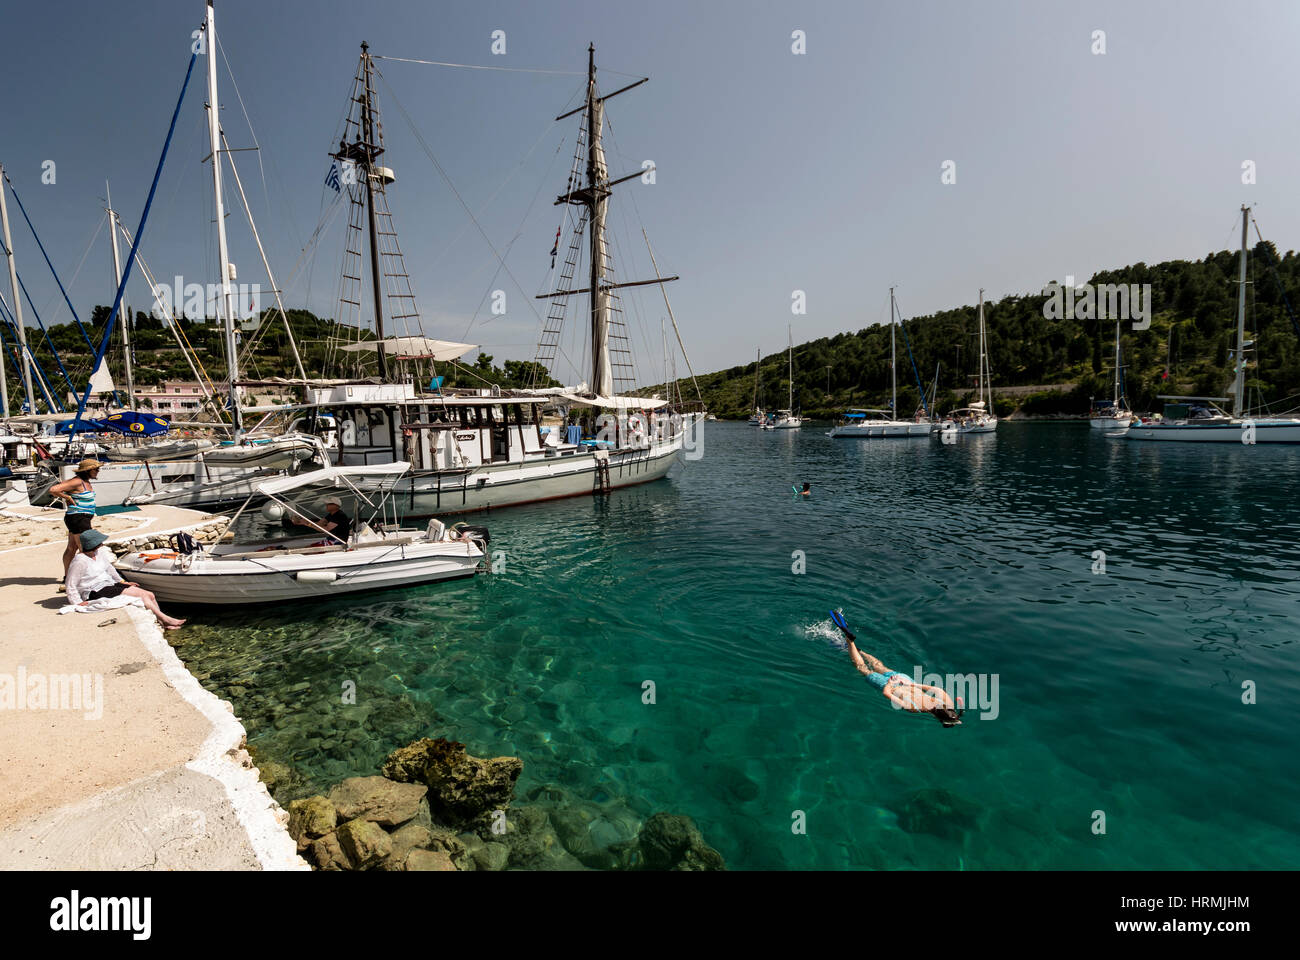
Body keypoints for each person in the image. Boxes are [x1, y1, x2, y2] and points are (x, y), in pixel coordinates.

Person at [66, 529, 186, 630]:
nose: (102, 544)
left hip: (109, 584)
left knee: (150, 594)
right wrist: (77, 602)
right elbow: (70, 584)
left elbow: (110, 569)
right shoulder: (80, 561)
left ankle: (162, 622)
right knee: (142, 596)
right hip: (94, 590)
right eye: (99, 542)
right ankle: (166, 620)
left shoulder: (98, 553)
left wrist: (122, 582)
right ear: (93, 544)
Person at [844, 635, 964, 727]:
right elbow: (886, 693)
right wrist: (890, 684)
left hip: (905, 679)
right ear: (938, 719)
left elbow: (937, 689)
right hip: (889, 685)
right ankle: (850, 642)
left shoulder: (947, 703)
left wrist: (911, 684)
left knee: (879, 666)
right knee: (862, 668)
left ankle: (860, 651)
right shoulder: (914, 709)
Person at [48, 458, 101, 588]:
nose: (98, 471)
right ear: (88, 470)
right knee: (85, 549)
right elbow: (54, 489)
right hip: (78, 518)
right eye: (96, 469)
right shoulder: (77, 481)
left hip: (79, 518)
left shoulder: (85, 482)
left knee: (72, 548)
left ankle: (68, 578)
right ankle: (80, 580)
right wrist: (67, 497)